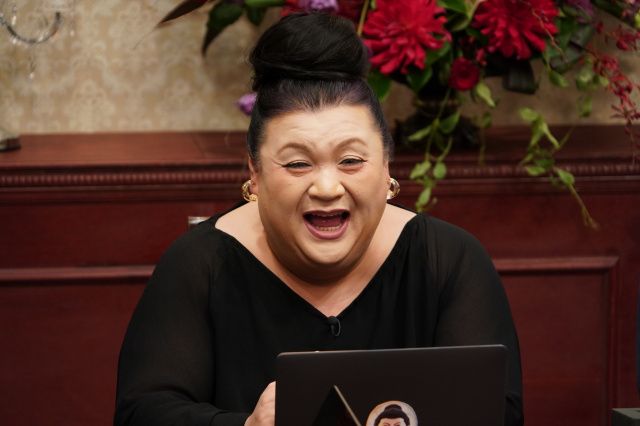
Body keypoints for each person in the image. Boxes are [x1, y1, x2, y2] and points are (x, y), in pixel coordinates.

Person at [114, 12, 523, 426]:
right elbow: (143, 412)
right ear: (255, 174)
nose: (327, 188)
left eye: (351, 160)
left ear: (386, 167)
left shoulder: (449, 260)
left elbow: (496, 411)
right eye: (297, 163)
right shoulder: (199, 263)